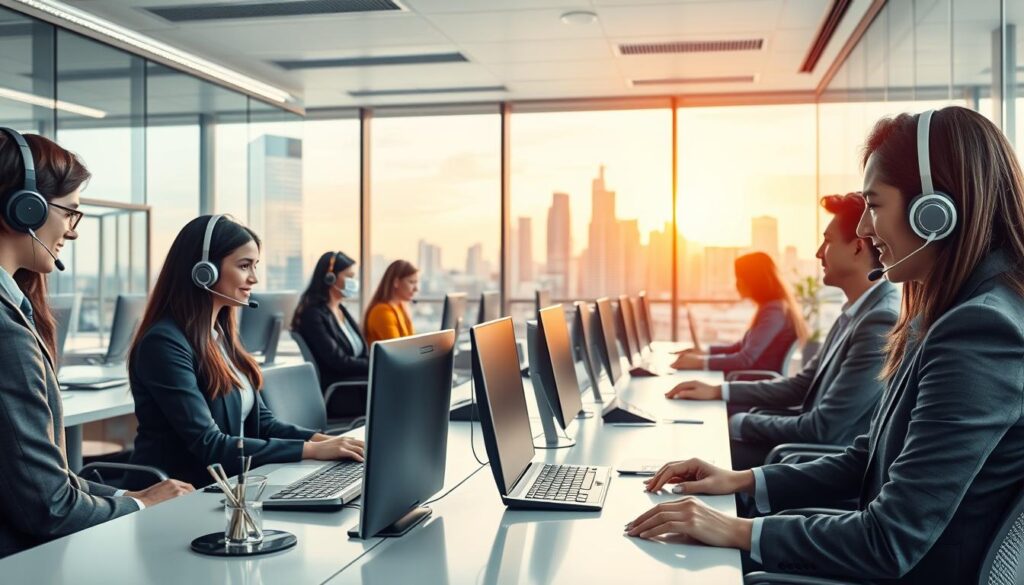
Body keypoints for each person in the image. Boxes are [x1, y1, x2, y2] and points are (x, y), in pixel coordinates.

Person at [626, 107, 1024, 583]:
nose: (864, 229)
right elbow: (870, 456)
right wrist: (741, 480)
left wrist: (739, 531)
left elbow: (889, 541)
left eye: (875, 206)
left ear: (934, 212)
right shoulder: (952, 312)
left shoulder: (980, 330)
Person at [0, 129, 191, 558]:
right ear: (24, 209)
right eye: (70, 213)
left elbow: (44, 478)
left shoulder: (13, 312)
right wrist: (142, 504)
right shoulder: (5, 332)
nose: (73, 231)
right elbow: (48, 507)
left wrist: (131, 496)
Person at [667, 193, 899, 470]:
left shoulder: (879, 320)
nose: (817, 252)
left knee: (699, 447)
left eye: (827, 240)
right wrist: (719, 391)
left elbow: (824, 428)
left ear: (858, 248)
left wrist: (737, 421)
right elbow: (801, 386)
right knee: (694, 439)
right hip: (801, 451)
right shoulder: (854, 312)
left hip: (817, 464)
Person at [127, 218, 364, 488]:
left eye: (255, 266)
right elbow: (210, 445)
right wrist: (310, 451)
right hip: (181, 495)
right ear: (205, 271)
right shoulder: (164, 343)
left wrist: (324, 442)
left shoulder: (221, 337)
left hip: (231, 486)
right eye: (244, 266)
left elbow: (263, 423)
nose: (254, 278)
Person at [671, 252, 810, 376]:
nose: (736, 283)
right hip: (746, 379)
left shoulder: (774, 312)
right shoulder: (771, 308)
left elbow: (745, 359)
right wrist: (702, 352)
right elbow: (739, 347)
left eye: (739, 277)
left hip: (752, 383)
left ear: (753, 280)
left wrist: (700, 362)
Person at [292, 250, 369, 417]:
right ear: (330, 277)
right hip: (341, 392)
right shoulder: (313, 314)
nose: (354, 282)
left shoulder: (341, 309)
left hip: (357, 384)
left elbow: (363, 351)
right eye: (349, 276)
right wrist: (375, 364)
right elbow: (338, 362)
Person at [363, 260, 418, 346]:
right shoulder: (382, 312)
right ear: (396, 282)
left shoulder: (400, 306)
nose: (416, 289)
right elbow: (398, 350)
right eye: (411, 282)